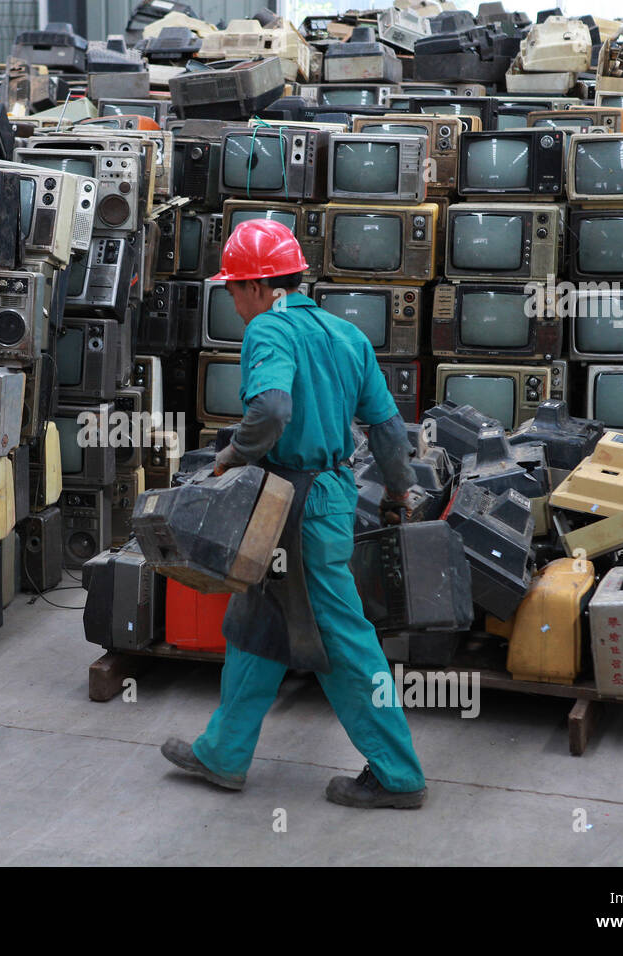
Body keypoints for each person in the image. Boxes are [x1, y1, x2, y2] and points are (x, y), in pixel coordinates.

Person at [160, 218, 429, 809]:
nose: (232, 300)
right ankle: (224, 754)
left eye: (233, 288)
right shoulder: (346, 335)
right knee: (256, 624)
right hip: (321, 497)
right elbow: (386, 427)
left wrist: (232, 454)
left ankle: (398, 773)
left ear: (259, 287)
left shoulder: (269, 330)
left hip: (294, 505)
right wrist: (397, 491)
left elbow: (273, 409)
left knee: (342, 640)